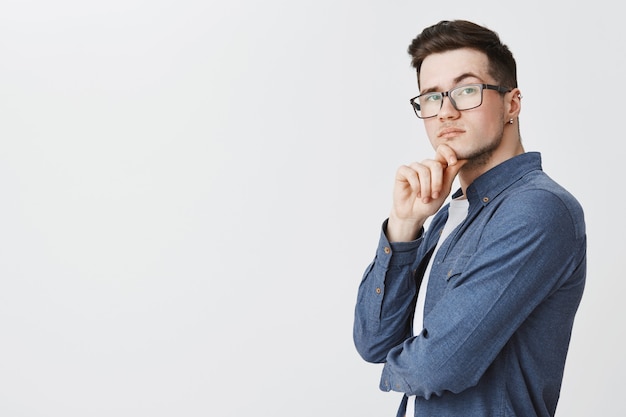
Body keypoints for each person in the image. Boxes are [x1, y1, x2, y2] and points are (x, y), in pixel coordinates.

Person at [353, 19, 586, 417]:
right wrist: (404, 225)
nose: (445, 111)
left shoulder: (537, 208)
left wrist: (396, 366)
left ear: (511, 103)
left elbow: (440, 364)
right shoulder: (450, 214)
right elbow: (373, 341)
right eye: (431, 97)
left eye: (466, 90)